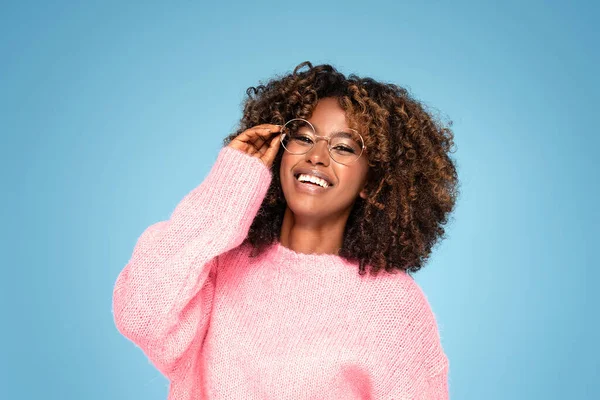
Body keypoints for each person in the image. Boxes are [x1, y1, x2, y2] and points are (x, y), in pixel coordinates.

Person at [112, 61, 459, 399]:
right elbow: (141, 315)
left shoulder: (394, 307)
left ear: (372, 182)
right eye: (304, 137)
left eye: (343, 147)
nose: (317, 156)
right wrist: (225, 192)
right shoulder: (219, 266)